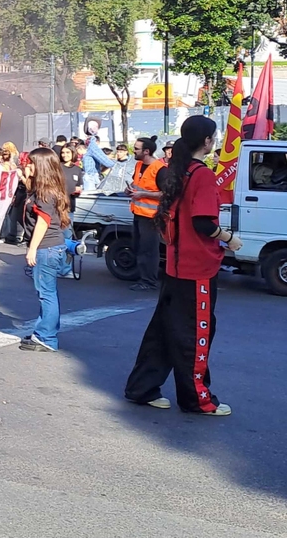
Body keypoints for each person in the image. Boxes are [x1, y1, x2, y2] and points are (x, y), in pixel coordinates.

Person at [124, 116, 239, 416]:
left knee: (163, 331)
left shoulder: (179, 169)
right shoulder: (200, 174)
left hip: (176, 264)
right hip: (196, 267)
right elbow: (203, 222)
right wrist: (229, 239)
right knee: (195, 335)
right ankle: (196, 399)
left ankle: (142, 387)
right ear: (207, 141)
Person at [19, 147, 85, 353]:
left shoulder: (45, 192)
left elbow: (43, 222)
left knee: (46, 294)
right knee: (48, 293)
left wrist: (32, 249)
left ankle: (46, 337)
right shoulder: (48, 188)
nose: (26, 166)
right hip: (52, 245)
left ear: (40, 166)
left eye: (30, 163)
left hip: (46, 248)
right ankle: (43, 332)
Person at [126, 137, 165, 293]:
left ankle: (149, 281)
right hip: (138, 213)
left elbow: (166, 194)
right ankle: (144, 278)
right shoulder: (139, 165)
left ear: (146, 151)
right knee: (140, 247)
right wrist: (130, 191)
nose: (133, 151)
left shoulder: (160, 169)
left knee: (148, 250)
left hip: (151, 216)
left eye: (136, 148)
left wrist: (142, 194)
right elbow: (137, 185)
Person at [81, 117, 114, 191]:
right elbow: (104, 159)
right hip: (91, 177)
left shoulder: (89, 142)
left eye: (96, 126)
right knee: (91, 200)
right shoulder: (92, 144)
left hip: (91, 176)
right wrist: (116, 165)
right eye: (93, 126)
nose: (95, 128)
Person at [60, 145, 83, 213]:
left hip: (70, 206)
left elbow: (78, 186)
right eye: (63, 152)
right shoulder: (57, 167)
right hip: (58, 206)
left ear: (73, 153)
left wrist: (78, 191)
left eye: (68, 152)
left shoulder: (77, 169)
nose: (64, 155)